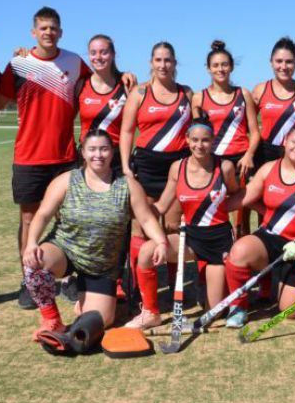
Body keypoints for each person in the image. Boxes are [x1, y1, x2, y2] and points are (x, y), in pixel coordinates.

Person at [21, 130, 169, 337]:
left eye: (104, 149)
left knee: (101, 320)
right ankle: (52, 320)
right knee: (34, 265)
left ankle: (87, 297)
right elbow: (43, 214)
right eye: (92, 149)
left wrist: (161, 241)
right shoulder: (66, 180)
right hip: (65, 250)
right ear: (83, 152)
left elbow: (145, 218)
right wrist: (31, 243)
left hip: (102, 265)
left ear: (112, 152)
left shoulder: (128, 185)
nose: (98, 154)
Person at [0, 6, 91, 309]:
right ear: (33, 32)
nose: (48, 33)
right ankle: (29, 279)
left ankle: (68, 277)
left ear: (60, 32)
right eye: (43, 28)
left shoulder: (74, 62)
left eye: (53, 28)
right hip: (28, 155)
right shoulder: (18, 64)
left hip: (64, 155)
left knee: (69, 217)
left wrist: (126, 75)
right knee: (28, 219)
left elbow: (102, 82)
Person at [125, 120, 242, 331]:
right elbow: (161, 205)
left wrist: (223, 207)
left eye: (205, 140)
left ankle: (207, 288)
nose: (200, 145)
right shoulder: (177, 168)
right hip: (190, 239)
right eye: (195, 140)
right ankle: (151, 313)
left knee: (213, 313)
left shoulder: (224, 167)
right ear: (187, 140)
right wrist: (138, 213)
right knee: (146, 251)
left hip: (218, 242)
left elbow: (238, 193)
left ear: (213, 141)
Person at [223, 124, 295, 328]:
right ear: (285, 141)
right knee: (239, 251)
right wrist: (214, 209)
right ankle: (238, 308)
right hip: (269, 237)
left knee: (292, 310)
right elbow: (245, 196)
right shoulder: (269, 168)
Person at [119, 41, 192, 292]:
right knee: (142, 226)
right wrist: (126, 167)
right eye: (158, 60)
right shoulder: (140, 93)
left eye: (168, 60)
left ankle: (174, 281)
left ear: (175, 63)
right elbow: (127, 131)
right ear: (151, 63)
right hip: (147, 165)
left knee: (172, 224)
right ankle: (139, 285)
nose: (163, 65)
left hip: (177, 165)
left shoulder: (187, 93)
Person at [192, 40, 259, 178]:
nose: (220, 69)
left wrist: (249, 155)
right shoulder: (199, 98)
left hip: (241, 160)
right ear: (208, 69)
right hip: (213, 160)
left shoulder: (244, 94)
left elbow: (255, 132)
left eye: (224, 64)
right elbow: (196, 135)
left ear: (232, 66)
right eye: (215, 65)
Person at [252, 37, 295, 166]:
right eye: (279, 61)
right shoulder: (260, 89)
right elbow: (246, 125)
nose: (283, 66)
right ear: (271, 62)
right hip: (263, 155)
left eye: (289, 62)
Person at [78, 35, 131, 171]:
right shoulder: (81, 84)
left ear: (113, 54)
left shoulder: (126, 84)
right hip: (88, 158)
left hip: (116, 159)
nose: (98, 57)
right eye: (93, 53)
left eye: (104, 52)